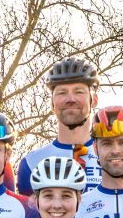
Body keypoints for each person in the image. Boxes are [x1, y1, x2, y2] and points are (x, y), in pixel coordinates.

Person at [16, 57, 101, 193]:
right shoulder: (31, 163)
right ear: (52, 103)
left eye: (79, 92)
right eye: (62, 92)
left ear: (94, 100)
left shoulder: (113, 159)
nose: (70, 99)